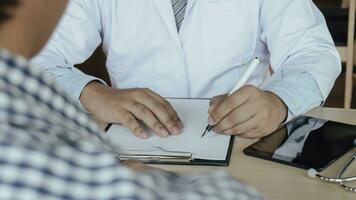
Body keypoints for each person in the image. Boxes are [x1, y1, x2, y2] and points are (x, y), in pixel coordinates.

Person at [0, 1, 263, 199]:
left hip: (244, 145)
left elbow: (306, 52)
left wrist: (279, 100)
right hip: (139, 150)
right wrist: (91, 92)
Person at [33, 0, 341, 139]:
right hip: (136, 145)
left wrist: (279, 101)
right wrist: (90, 93)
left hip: (239, 140)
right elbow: (30, 56)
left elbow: (314, 51)